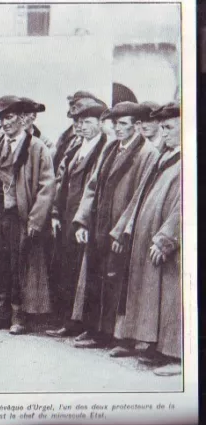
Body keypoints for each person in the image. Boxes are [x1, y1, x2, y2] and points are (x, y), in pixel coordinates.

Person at [68, 102, 159, 348]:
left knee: (118, 283)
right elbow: (92, 187)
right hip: (99, 225)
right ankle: (93, 329)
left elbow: (140, 197)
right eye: (115, 124)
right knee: (95, 277)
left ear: (137, 126)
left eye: (124, 124)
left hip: (121, 230)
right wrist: (82, 222)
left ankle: (115, 336)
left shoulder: (146, 153)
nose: (118, 129)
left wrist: (122, 233)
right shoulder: (110, 148)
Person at [0, 95, 55, 334]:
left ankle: (19, 316)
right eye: (2, 118)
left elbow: (47, 187)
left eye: (10, 117)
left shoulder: (37, 148)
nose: (5, 123)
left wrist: (36, 220)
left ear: (23, 119)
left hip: (19, 216)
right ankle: (0, 314)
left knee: (19, 266)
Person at [109, 102, 181, 376]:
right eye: (162, 128)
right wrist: (123, 229)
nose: (163, 133)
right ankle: (151, 346)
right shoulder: (163, 156)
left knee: (173, 297)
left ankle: (177, 355)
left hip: (169, 242)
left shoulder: (188, 159)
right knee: (151, 294)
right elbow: (139, 196)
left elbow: (184, 206)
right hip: (146, 237)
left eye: (169, 128)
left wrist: (166, 238)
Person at [45, 97, 109, 336]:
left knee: (85, 272)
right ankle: (67, 321)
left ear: (100, 123)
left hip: (87, 219)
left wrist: (85, 220)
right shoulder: (74, 148)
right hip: (67, 216)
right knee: (66, 267)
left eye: (87, 121)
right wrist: (54, 213)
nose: (81, 126)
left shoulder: (103, 148)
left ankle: (83, 324)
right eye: (78, 122)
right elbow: (60, 182)